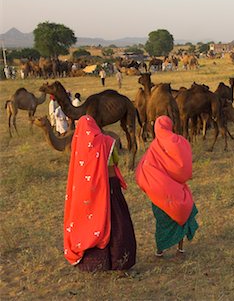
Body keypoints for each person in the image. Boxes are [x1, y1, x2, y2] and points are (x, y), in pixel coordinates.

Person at [64, 115, 136, 271]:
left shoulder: (78, 146)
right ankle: (119, 260)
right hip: (111, 186)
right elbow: (115, 160)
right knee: (117, 222)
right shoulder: (107, 141)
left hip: (89, 193)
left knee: (92, 222)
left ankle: (96, 263)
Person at [136, 116, 198, 257]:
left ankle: (160, 250)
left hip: (159, 193)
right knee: (181, 214)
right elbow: (185, 169)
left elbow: (144, 168)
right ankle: (180, 249)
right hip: (176, 191)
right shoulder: (180, 142)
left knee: (162, 221)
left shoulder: (153, 147)